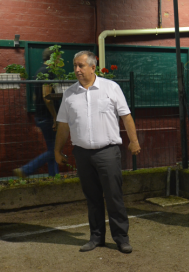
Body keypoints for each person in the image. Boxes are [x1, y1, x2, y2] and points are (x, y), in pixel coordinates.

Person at [54, 51, 141, 254]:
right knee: (92, 198)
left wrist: (134, 141)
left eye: (81, 66)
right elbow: (63, 125)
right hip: (82, 154)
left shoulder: (111, 88)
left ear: (93, 67)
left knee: (114, 196)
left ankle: (121, 238)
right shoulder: (69, 94)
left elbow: (126, 116)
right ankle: (96, 237)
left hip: (108, 152)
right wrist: (57, 150)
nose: (77, 70)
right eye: (75, 65)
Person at [13, 48, 59, 178]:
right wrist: (55, 117)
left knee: (52, 148)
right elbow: (46, 96)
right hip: (48, 116)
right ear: (53, 58)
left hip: (40, 115)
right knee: (55, 150)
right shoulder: (48, 72)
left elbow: (35, 97)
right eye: (58, 58)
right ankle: (26, 170)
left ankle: (54, 177)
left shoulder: (38, 72)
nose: (60, 61)